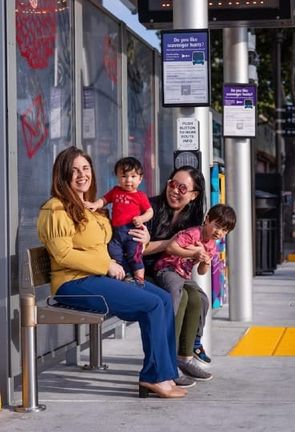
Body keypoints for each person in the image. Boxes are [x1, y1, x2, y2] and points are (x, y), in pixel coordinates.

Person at [37, 146, 185, 399]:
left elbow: (115, 238)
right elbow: (63, 255)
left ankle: (166, 372)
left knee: (161, 298)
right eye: (74, 171)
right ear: (62, 176)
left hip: (98, 278)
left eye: (85, 168)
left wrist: (144, 236)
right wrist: (106, 265)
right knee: (150, 304)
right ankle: (155, 376)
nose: (82, 175)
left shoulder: (87, 207)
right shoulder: (56, 209)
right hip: (73, 284)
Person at [129, 166, 212, 384]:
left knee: (198, 299)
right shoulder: (149, 208)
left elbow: (188, 254)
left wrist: (198, 256)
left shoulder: (192, 218)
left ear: (193, 195)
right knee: (178, 298)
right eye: (172, 184)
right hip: (141, 271)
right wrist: (170, 244)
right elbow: (138, 249)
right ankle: (166, 362)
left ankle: (184, 356)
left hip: (169, 271)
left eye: (182, 188)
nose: (174, 190)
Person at [154, 204, 236, 378]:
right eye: (217, 226)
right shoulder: (193, 233)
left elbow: (201, 272)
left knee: (203, 299)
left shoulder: (212, 245)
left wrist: (205, 262)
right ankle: (168, 331)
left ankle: (195, 343)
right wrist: (193, 253)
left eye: (224, 231)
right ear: (207, 219)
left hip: (183, 276)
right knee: (177, 295)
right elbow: (171, 248)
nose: (219, 232)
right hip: (167, 269)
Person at [86, 157, 153, 284]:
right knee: (114, 252)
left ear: (140, 178)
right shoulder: (115, 191)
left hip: (132, 231)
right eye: (124, 176)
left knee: (134, 255)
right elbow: (104, 200)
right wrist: (95, 204)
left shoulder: (140, 196)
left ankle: (140, 280)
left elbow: (150, 212)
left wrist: (141, 218)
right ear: (117, 176)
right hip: (117, 232)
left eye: (133, 176)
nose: (128, 180)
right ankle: (126, 275)